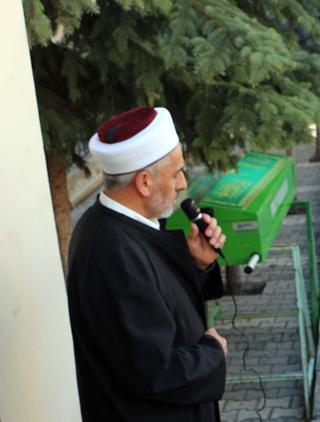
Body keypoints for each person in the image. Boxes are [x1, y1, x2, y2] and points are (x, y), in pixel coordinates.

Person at [67, 107, 228, 421]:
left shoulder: (118, 224)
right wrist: (213, 353)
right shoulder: (112, 252)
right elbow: (154, 372)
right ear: (143, 183)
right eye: (176, 173)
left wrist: (198, 264)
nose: (183, 184)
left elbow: (155, 302)